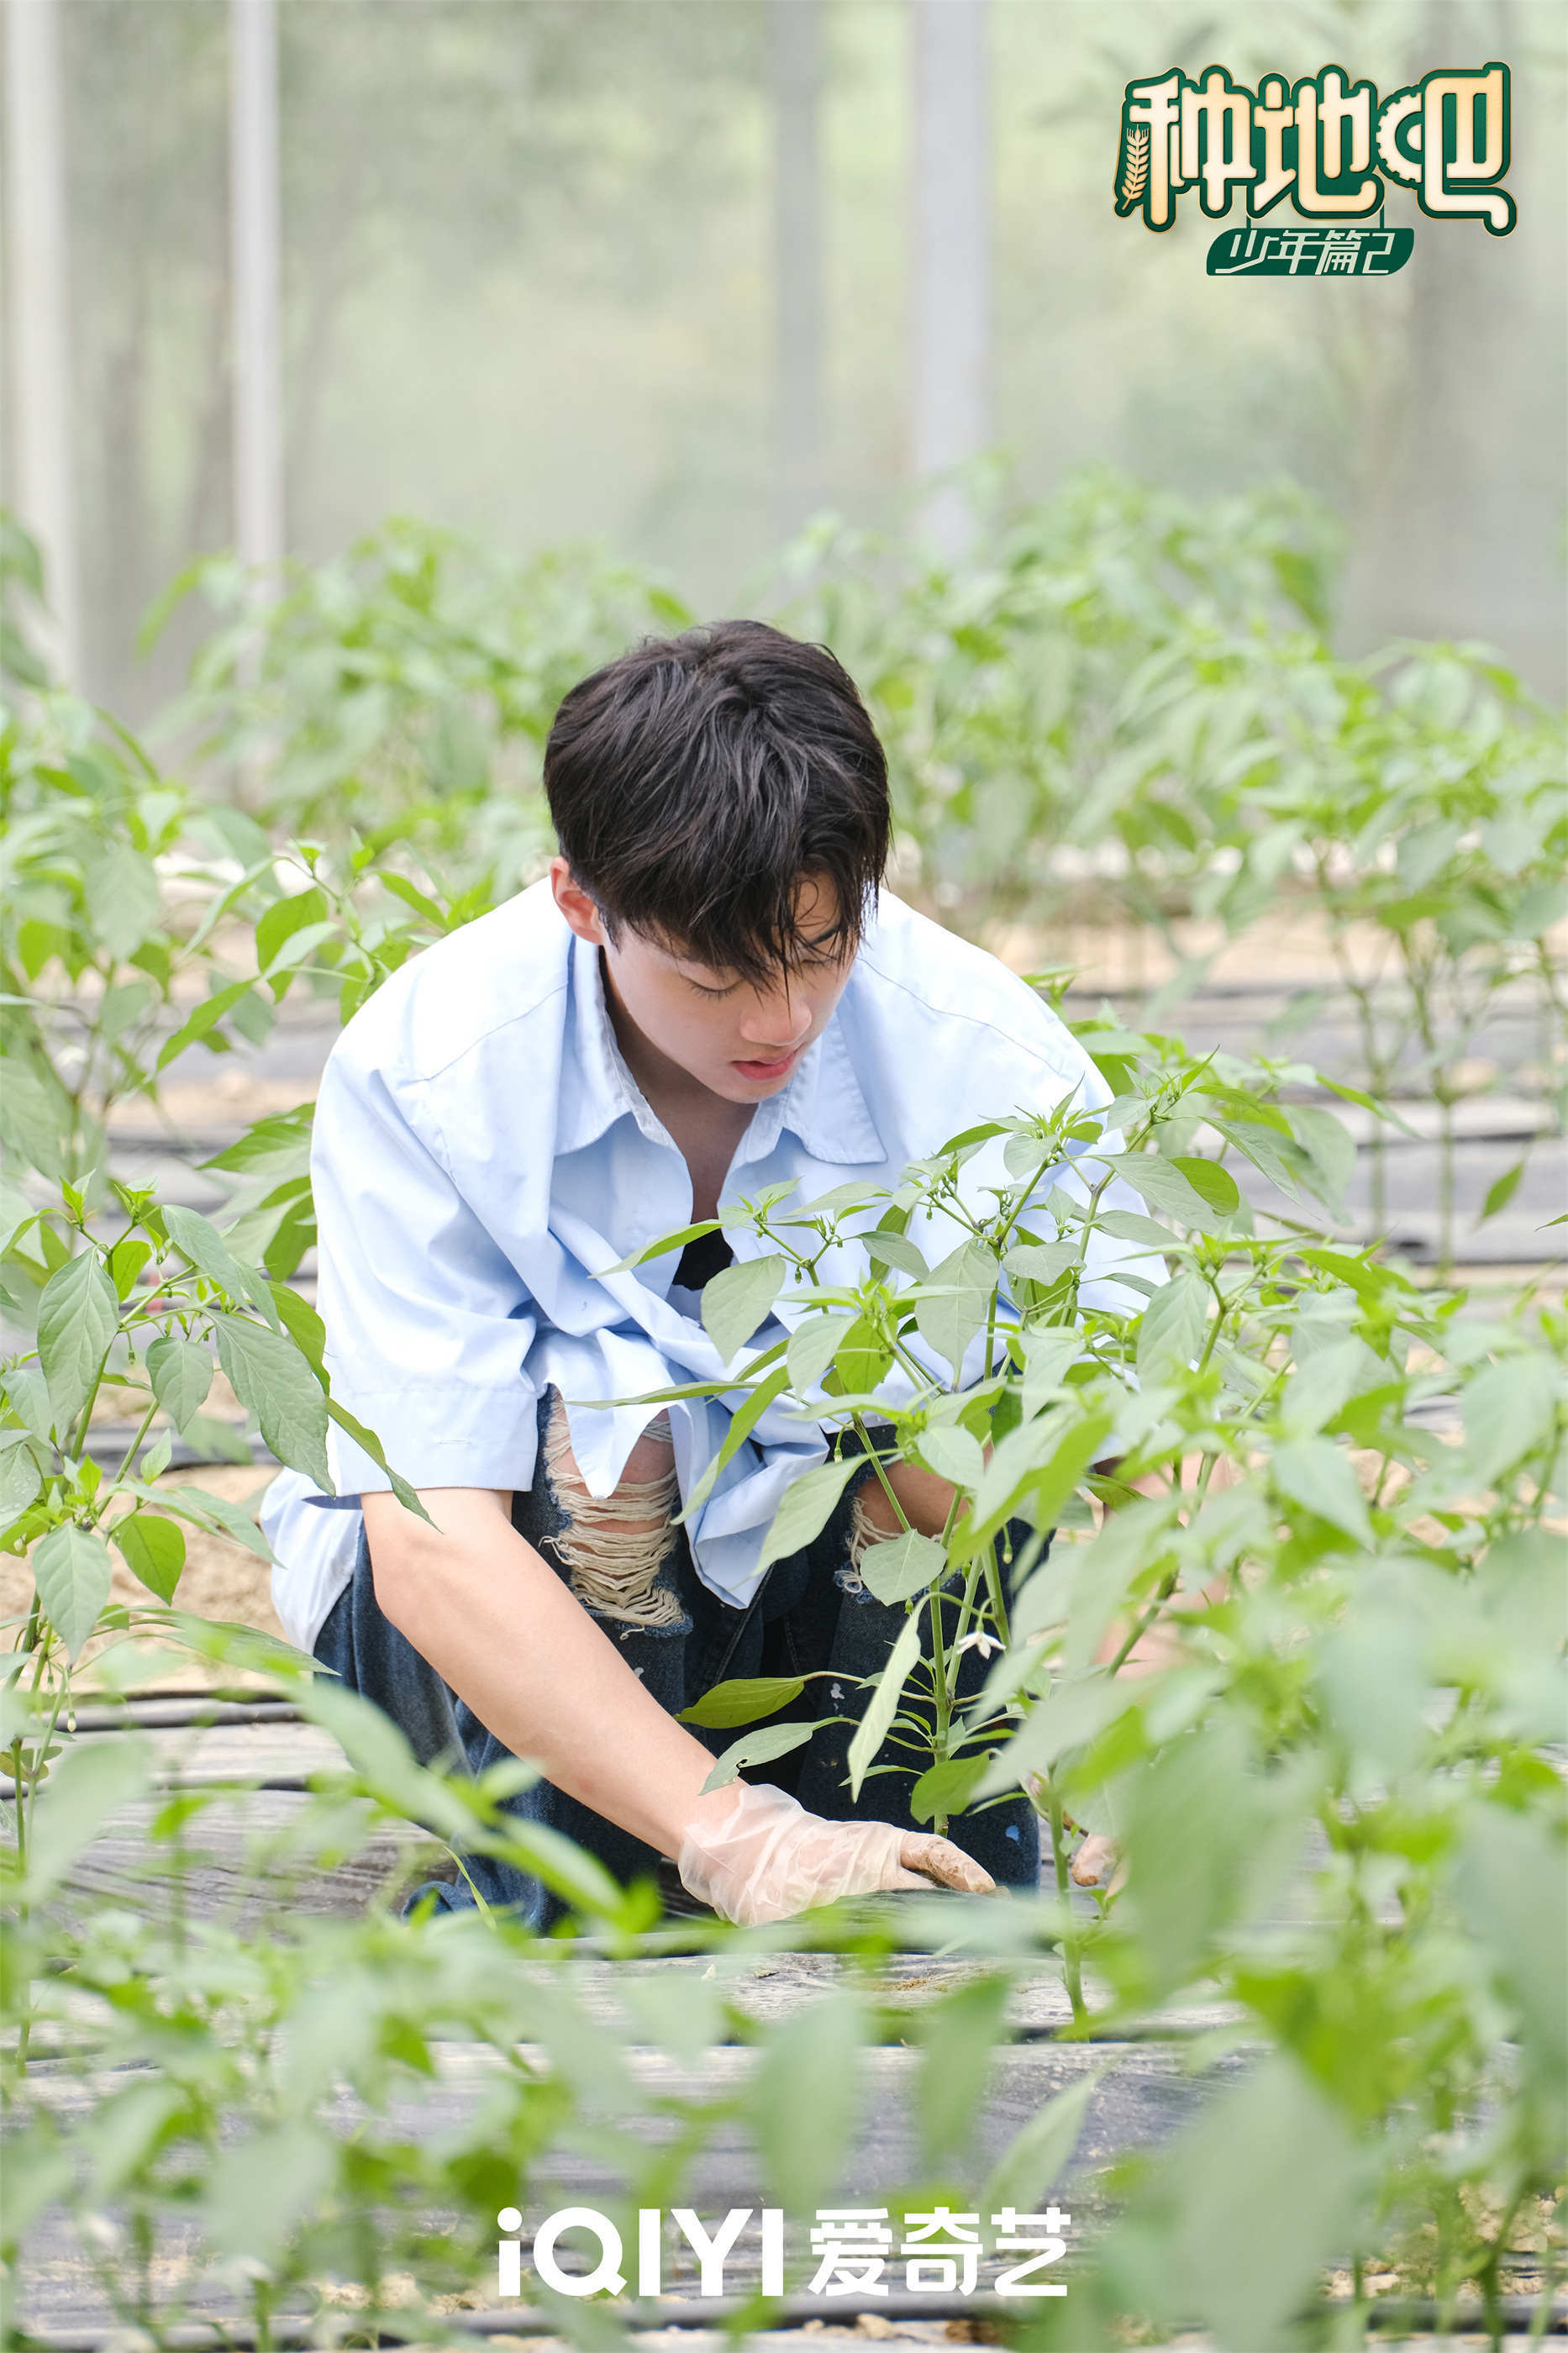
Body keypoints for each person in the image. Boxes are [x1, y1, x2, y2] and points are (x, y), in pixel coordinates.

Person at [259, 619, 1160, 1930]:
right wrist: (729, 1832)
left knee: (944, 1434)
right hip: (486, 1613)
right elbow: (433, 1536)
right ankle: (592, 1868)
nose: (775, 1023)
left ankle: (886, 1836)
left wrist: (1141, 1717)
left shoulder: (984, 1061)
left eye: (817, 954)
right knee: (615, 1431)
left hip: (837, 1615)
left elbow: (1151, 1445)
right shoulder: (432, 1068)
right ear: (579, 903)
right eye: (713, 976)